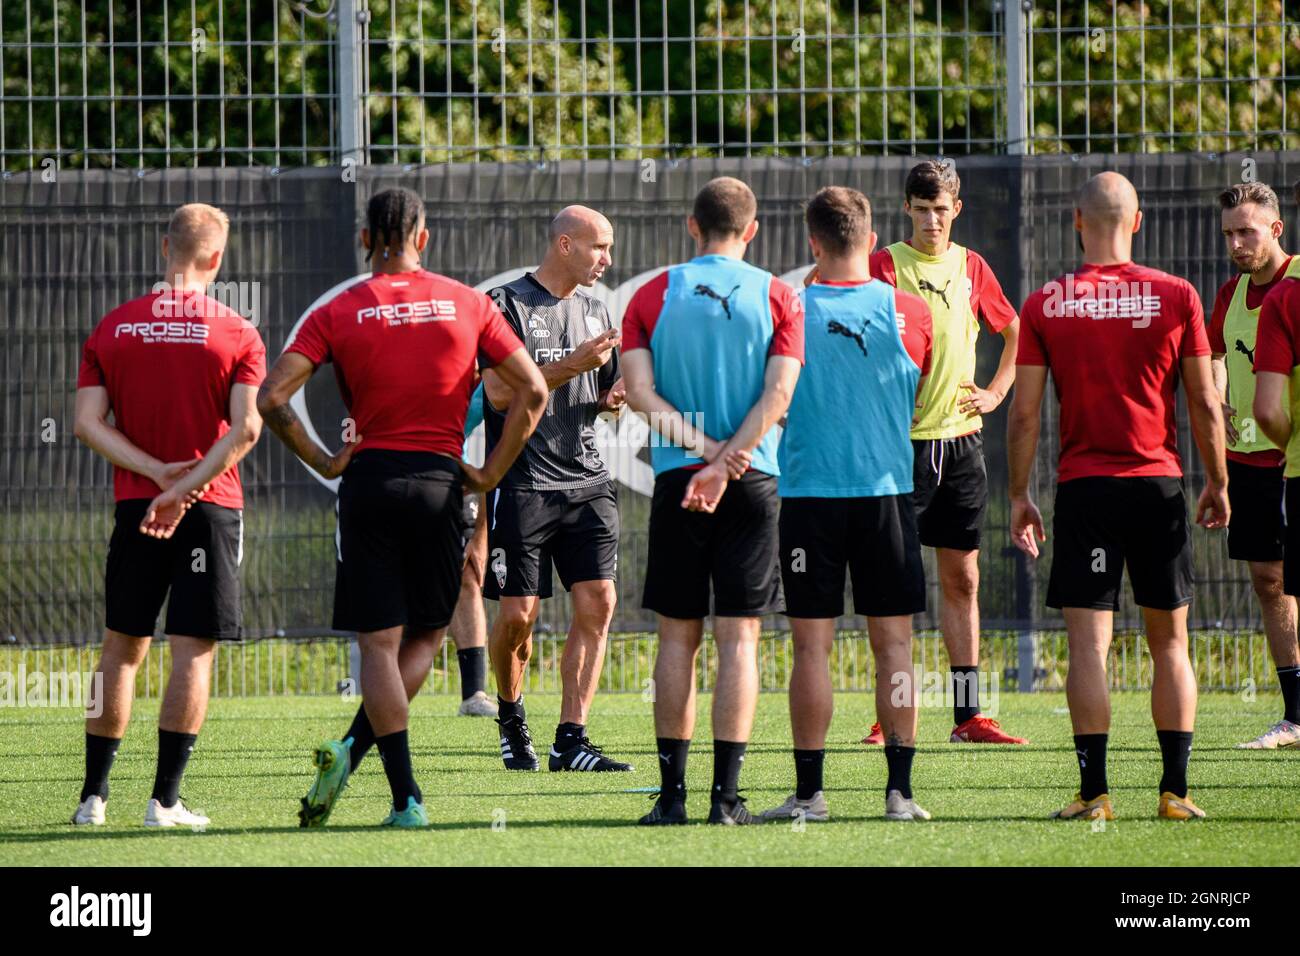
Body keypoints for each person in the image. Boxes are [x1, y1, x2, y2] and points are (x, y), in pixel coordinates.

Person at [257, 187, 546, 828]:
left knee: (377, 645)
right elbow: (531, 389)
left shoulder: (341, 308)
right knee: (429, 633)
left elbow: (272, 398)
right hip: (443, 484)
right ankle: (363, 760)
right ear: (425, 238)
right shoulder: (468, 302)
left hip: (371, 483)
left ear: (365, 240)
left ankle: (400, 794)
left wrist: (325, 459)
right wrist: (486, 473)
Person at [1009, 171, 1228, 822]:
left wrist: (1020, 494)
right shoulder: (1176, 295)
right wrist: (1216, 481)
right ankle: (1176, 792)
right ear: (1137, 222)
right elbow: (1205, 403)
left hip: (1085, 492)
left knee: (1088, 648)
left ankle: (1094, 793)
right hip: (1157, 486)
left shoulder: (1047, 302)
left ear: (1078, 222)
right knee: (1170, 644)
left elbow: (1023, 418)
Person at [71, 203, 266, 828]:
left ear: (164, 248)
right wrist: (186, 487)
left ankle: (91, 799)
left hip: (138, 506)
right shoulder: (237, 331)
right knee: (193, 652)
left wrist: (155, 476)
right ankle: (165, 803)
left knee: (120, 648)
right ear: (216, 258)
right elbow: (246, 429)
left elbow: (85, 424)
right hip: (209, 509)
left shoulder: (115, 327)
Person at [622, 176, 804, 825]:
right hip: (753, 481)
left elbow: (639, 393)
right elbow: (779, 397)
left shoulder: (651, 292)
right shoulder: (779, 295)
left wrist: (702, 455)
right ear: (751, 231)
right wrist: (728, 462)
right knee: (740, 642)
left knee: (677, 640)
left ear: (691, 225)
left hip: (680, 480)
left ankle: (671, 801)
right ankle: (725, 801)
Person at [757, 186, 934, 824]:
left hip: (810, 498)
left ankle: (810, 796)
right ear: (873, 236)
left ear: (812, 242)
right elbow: (915, 396)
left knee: (811, 651)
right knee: (896, 649)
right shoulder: (912, 312)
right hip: (887, 495)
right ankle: (900, 793)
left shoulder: (788, 309)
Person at [861, 159, 1027, 745]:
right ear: (906, 208)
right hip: (897, 449)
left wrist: (997, 392)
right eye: (922, 208)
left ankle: (967, 716)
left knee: (963, 580)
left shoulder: (972, 267)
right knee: (896, 582)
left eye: (942, 209)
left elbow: (1016, 334)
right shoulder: (883, 268)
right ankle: (891, 712)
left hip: (961, 445)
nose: (932, 220)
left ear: (957, 209)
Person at [479, 205, 632, 773]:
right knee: (518, 615)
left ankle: (572, 738)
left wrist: (613, 398)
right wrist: (569, 366)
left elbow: (600, 393)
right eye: (598, 247)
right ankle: (511, 714)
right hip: (522, 482)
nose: (607, 260)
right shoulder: (505, 304)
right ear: (564, 244)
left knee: (600, 601)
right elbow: (498, 393)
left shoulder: (597, 308)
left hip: (587, 479)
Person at [1206, 183, 1300, 749]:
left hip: (1295, 459)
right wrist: (1219, 397)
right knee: (1269, 582)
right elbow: (1215, 355)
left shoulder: (1297, 286)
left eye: (1248, 231)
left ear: (1276, 229)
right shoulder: (1230, 295)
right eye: (1229, 234)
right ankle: (1295, 714)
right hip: (1249, 458)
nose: (1238, 243)